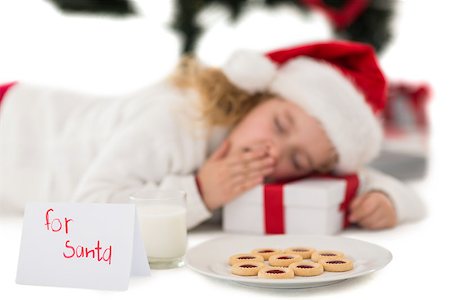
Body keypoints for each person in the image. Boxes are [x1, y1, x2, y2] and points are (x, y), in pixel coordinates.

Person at [0, 41, 424, 229]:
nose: (273, 151)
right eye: (278, 124)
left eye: (298, 161)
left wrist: (388, 202)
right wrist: (200, 192)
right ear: (256, 98)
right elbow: (88, 210)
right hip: (17, 128)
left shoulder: (278, 172)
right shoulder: (177, 121)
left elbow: (372, 182)